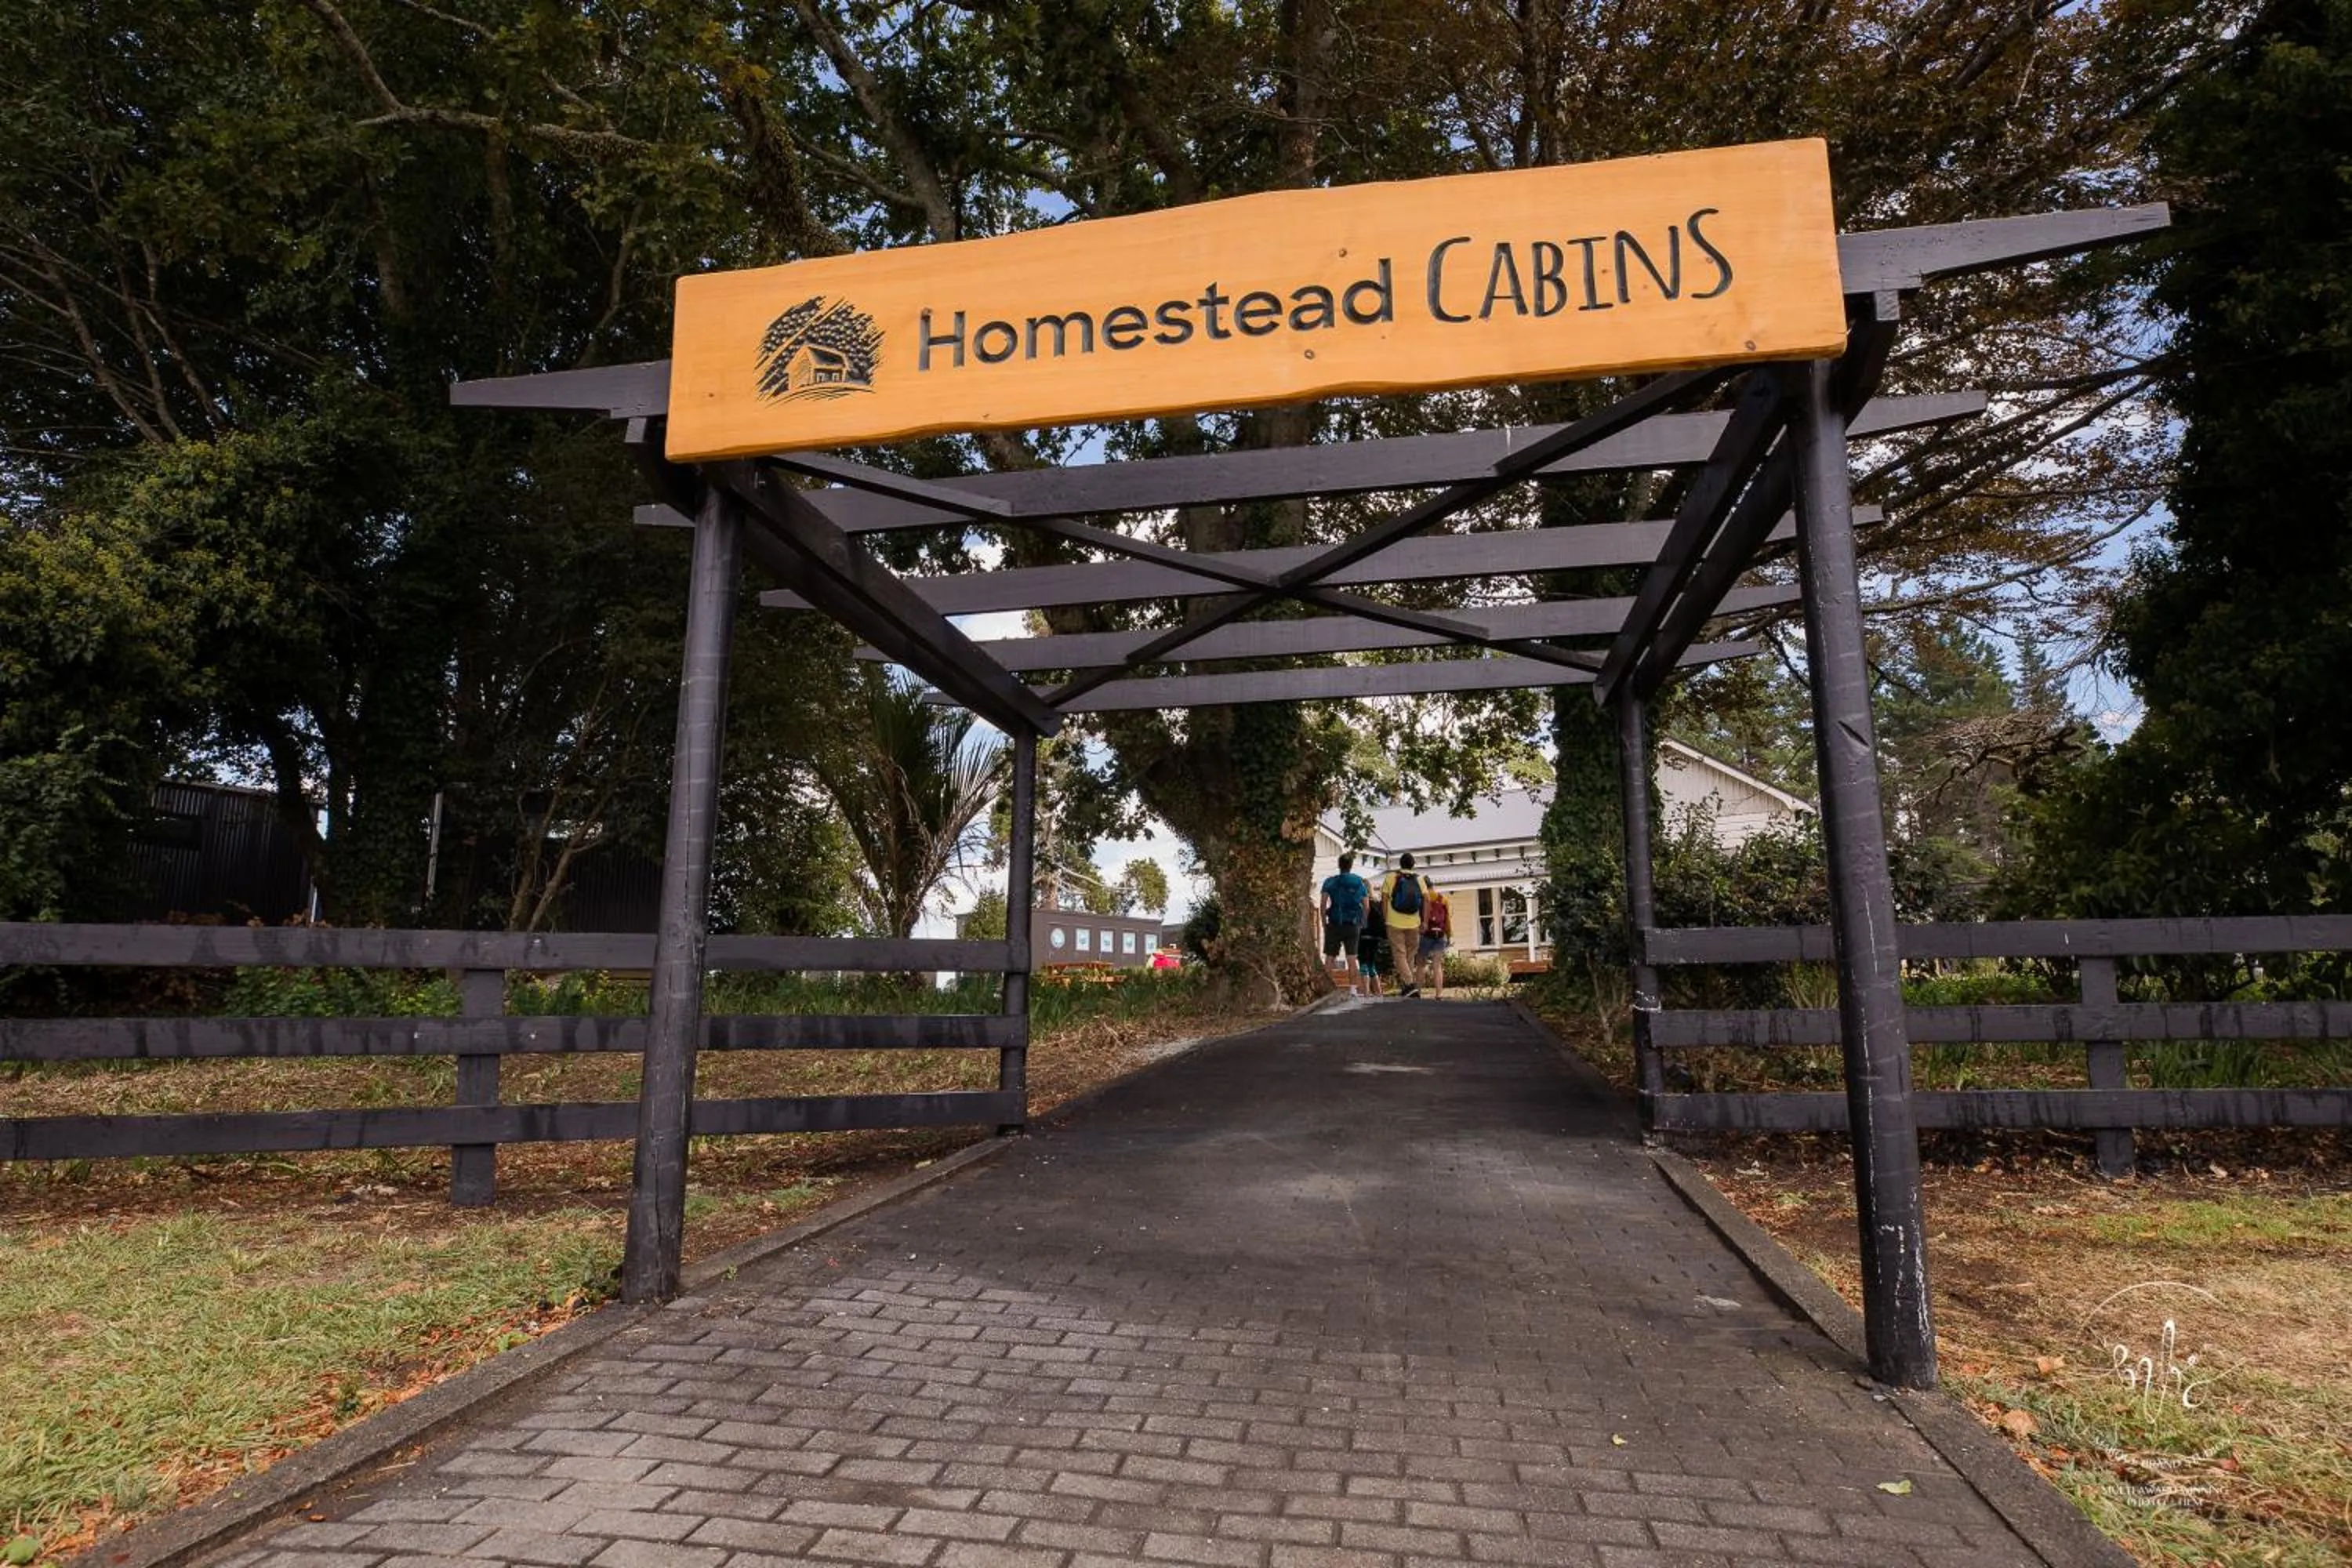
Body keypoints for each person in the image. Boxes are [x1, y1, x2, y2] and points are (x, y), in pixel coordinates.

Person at [1318, 851, 1372, 996]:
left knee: (1329, 958)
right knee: (1352, 959)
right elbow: (1367, 906)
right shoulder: (1358, 882)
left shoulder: (1330, 882)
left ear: (1339, 865)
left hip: (1334, 924)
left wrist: (1324, 924)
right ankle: (1353, 990)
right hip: (1352, 925)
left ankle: (1327, 990)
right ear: (1351, 866)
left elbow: (1323, 905)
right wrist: (1362, 922)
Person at [1378, 852, 1428, 996]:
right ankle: (1408, 986)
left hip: (1395, 922)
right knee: (1410, 955)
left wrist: (1386, 919)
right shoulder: (1419, 880)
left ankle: (1409, 984)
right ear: (1413, 865)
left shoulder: (1391, 877)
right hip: (1414, 923)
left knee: (1399, 954)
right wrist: (1424, 921)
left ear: (1400, 864)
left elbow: (1385, 899)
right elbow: (1426, 900)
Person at [1417, 884, 1453, 1000]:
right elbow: (1447, 919)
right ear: (1433, 886)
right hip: (1440, 935)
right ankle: (1439, 994)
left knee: (1421, 965)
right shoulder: (1443, 899)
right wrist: (1449, 934)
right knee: (1437, 965)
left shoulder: (1422, 899)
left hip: (1426, 934)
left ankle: (1418, 992)